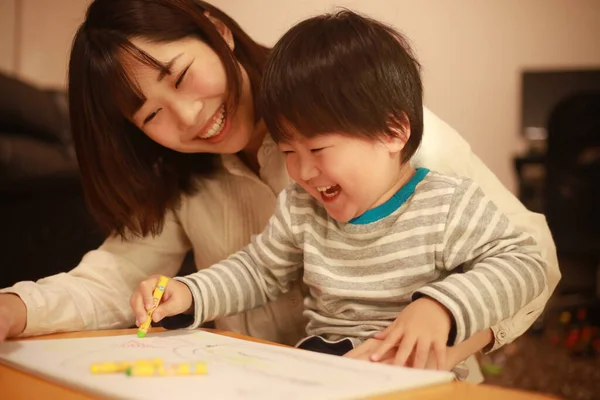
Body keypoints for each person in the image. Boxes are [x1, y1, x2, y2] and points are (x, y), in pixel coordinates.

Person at [0, 0, 559, 382]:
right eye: (152, 114)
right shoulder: (229, 186)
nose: (190, 117)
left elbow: (530, 256)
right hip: (283, 374)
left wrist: (440, 324)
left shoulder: (381, 136)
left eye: (178, 76)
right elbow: (240, 270)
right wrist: (18, 306)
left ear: (216, 31)